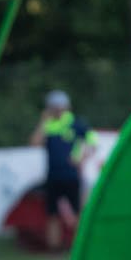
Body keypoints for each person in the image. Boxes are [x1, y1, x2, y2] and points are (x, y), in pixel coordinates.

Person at [28, 89, 98, 251]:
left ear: (67, 107)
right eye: (54, 107)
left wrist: (83, 157)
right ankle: (54, 250)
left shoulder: (77, 123)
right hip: (52, 177)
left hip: (72, 176)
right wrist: (43, 122)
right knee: (52, 215)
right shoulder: (47, 125)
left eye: (60, 107)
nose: (58, 110)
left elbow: (93, 142)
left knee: (79, 213)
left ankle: (81, 249)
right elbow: (34, 143)